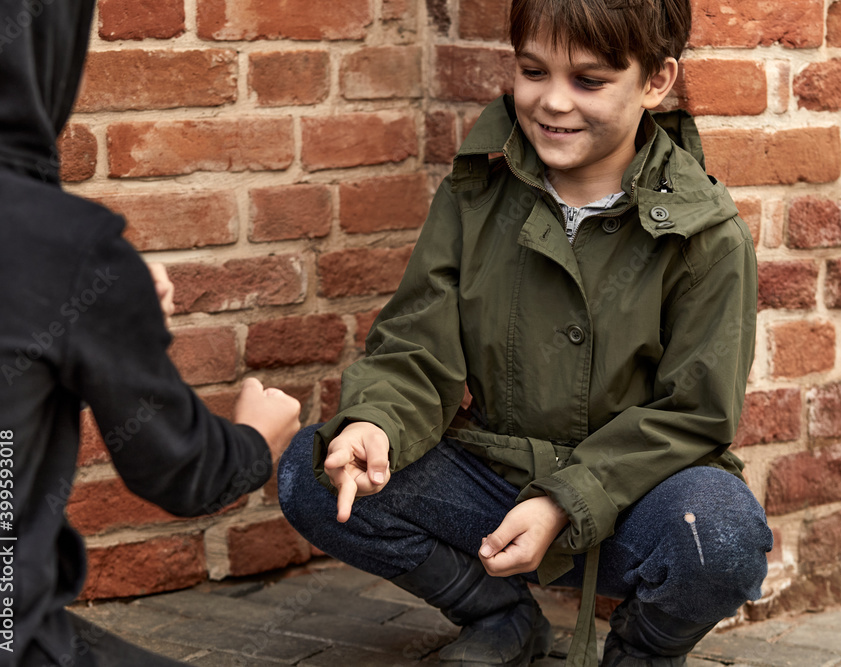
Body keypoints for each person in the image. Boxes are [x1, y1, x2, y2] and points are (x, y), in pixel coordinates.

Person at [278, 0, 773, 664]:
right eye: (533, 70)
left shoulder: (708, 236)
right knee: (314, 471)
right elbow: (418, 344)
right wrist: (375, 424)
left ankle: (645, 650)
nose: (552, 102)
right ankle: (499, 616)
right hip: (494, 483)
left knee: (724, 533)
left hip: (633, 499)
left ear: (655, 81)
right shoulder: (477, 193)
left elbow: (695, 414)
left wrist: (565, 501)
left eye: (588, 80)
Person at [0, 2, 301, 665]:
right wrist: (256, 439)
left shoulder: (72, 259)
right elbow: (181, 468)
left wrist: (101, 301)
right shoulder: (66, 246)